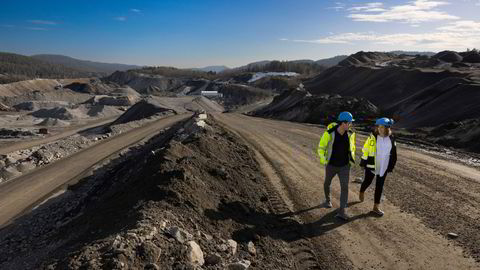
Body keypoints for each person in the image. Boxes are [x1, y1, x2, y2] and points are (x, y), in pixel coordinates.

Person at [317, 111, 356, 220]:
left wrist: (350, 161)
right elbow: (321, 148)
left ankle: (342, 211)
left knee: (345, 187)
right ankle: (327, 200)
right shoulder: (329, 133)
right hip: (331, 165)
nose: (350, 125)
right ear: (343, 123)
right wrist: (324, 160)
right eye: (349, 123)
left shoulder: (350, 134)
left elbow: (352, 148)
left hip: (344, 166)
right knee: (327, 183)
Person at [359, 117, 397, 216]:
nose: (380, 129)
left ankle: (376, 207)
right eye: (378, 126)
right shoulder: (372, 137)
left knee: (379, 186)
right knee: (367, 181)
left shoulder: (391, 138)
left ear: (387, 128)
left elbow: (394, 153)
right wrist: (363, 163)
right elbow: (365, 150)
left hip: (384, 166)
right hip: (372, 164)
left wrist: (391, 166)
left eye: (382, 127)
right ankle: (362, 191)